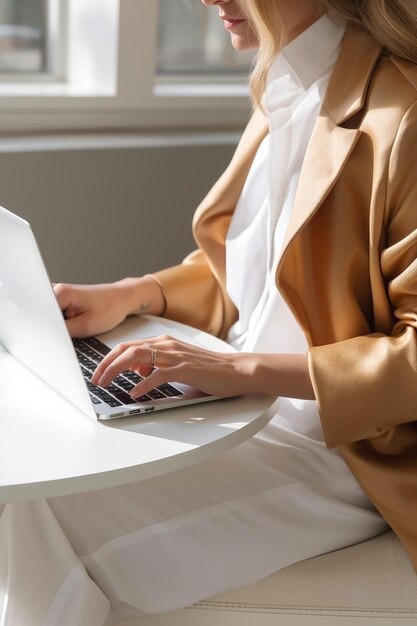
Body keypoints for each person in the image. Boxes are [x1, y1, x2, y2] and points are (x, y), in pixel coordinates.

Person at [1, 0, 417, 624]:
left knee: (42, 516)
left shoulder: (404, 114)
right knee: (29, 488)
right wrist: (133, 293)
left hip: (347, 454)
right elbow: (264, 273)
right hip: (241, 416)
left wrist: (242, 371)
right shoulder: (286, 81)